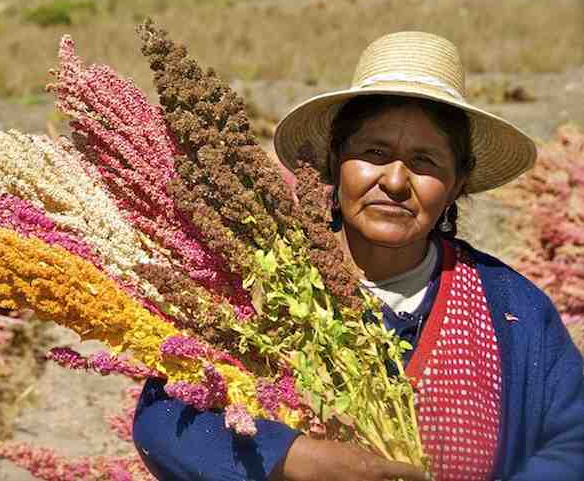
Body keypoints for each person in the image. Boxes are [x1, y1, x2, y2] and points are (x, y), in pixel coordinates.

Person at [131, 31, 584, 481]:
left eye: (425, 161)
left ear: (458, 183)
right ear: (335, 161)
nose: (395, 181)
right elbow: (163, 418)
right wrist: (294, 458)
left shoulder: (512, 309)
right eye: (374, 152)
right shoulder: (256, 285)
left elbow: (572, 438)